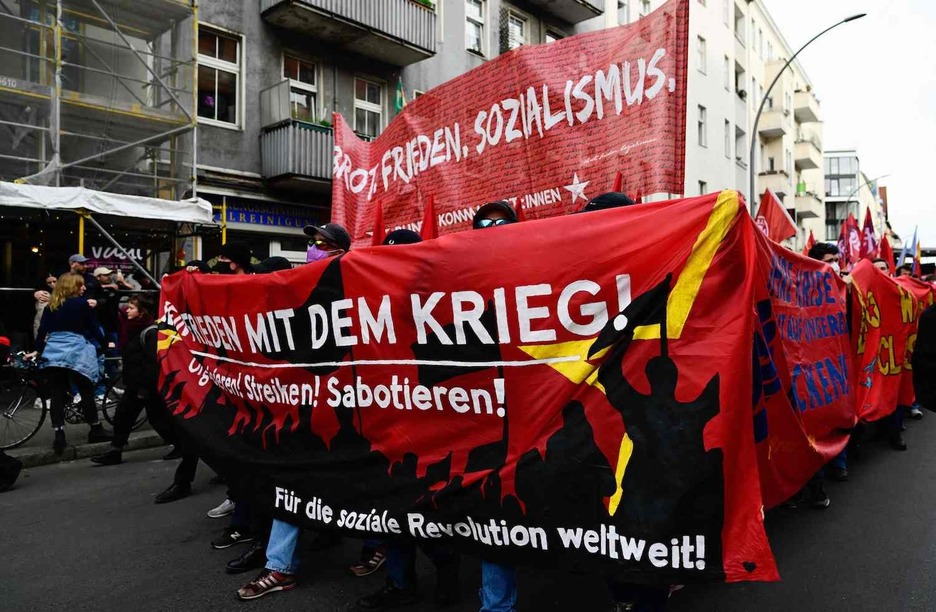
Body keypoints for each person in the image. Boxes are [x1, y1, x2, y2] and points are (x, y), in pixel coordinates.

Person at [235, 222, 351, 602]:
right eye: (312, 243)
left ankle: (382, 551)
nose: (315, 248)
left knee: (366, 485)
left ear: (341, 251)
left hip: (351, 407)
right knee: (291, 486)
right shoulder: (295, 286)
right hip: (303, 405)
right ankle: (279, 566)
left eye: (324, 244)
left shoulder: (357, 285)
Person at [31, 272, 112, 454]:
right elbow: (93, 327)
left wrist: (38, 350)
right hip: (75, 350)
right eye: (81, 285)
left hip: (53, 351)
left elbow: (43, 331)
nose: (84, 288)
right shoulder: (82, 304)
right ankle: (95, 428)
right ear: (73, 287)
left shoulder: (51, 306)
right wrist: (106, 344)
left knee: (57, 393)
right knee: (86, 388)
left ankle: (59, 435)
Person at [89, 295, 157, 466]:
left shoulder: (151, 332)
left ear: (142, 312)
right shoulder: (130, 327)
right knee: (122, 416)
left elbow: (152, 363)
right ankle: (115, 451)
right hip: (134, 382)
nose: (128, 310)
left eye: (132, 308)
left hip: (144, 385)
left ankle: (182, 447)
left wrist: (144, 388)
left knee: (159, 419)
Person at [33, 273, 57, 340]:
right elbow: (42, 316)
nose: (52, 284)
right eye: (49, 282)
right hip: (45, 327)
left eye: (54, 281)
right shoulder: (44, 294)